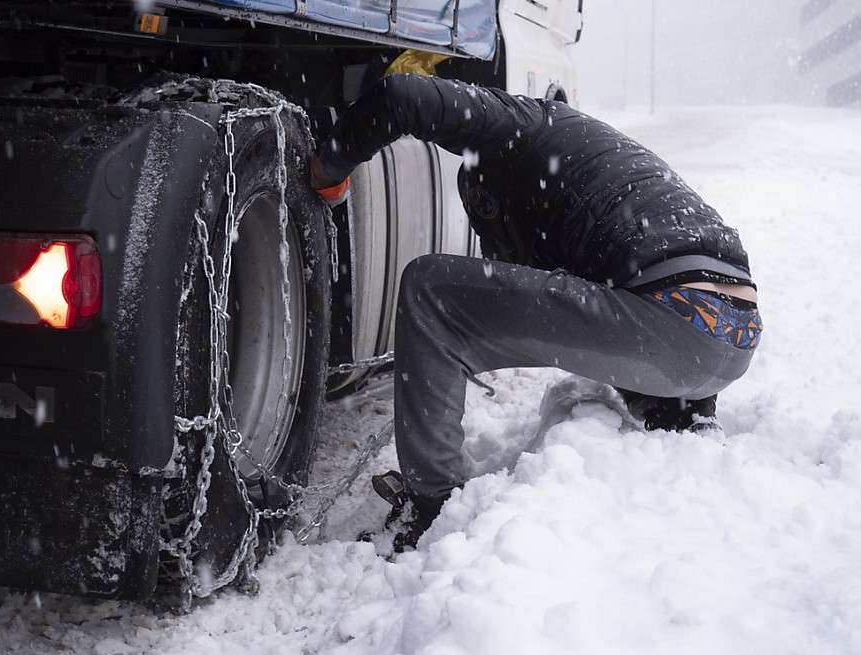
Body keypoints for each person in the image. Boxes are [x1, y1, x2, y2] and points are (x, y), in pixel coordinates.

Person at [310, 73, 763, 550]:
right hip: (734, 338)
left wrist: (328, 168)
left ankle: (434, 508)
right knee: (613, 297)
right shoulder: (588, 156)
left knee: (431, 291)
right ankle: (684, 415)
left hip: (672, 319)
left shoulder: (515, 125)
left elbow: (400, 96)